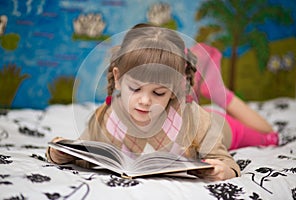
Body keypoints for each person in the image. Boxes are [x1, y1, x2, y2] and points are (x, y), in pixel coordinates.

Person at [46, 23, 276, 181]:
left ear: (174, 90)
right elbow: (84, 151)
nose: (145, 101)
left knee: (269, 136)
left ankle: (216, 90)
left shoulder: (195, 119)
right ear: (117, 79)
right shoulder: (106, 119)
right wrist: (60, 154)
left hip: (219, 124)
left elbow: (226, 162)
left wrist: (225, 171)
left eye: (158, 93)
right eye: (135, 88)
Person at [190, 43, 279, 150]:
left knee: (270, 137)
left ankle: (215, 89)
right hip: (203, 119)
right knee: (270, 137)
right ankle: (215, 89)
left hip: (207, 121)